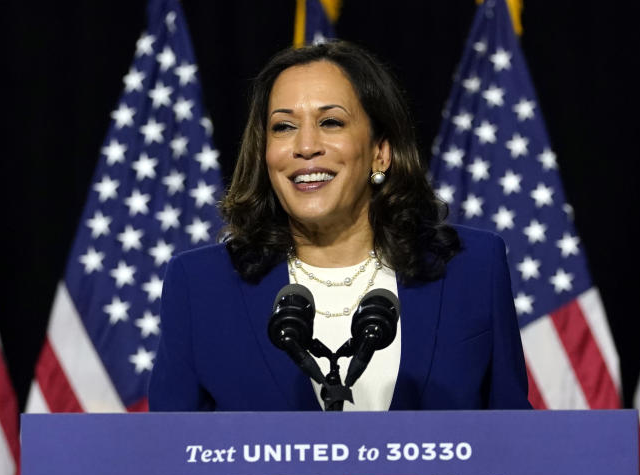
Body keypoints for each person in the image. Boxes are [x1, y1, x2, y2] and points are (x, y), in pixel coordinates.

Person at [147, 41, 530, 411]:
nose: (306, 146)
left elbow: (514, 443)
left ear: (380, 152)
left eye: (330, 122)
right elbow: (169, 456)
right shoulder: (200, 285)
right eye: (283, 127)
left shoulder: (473, 268)